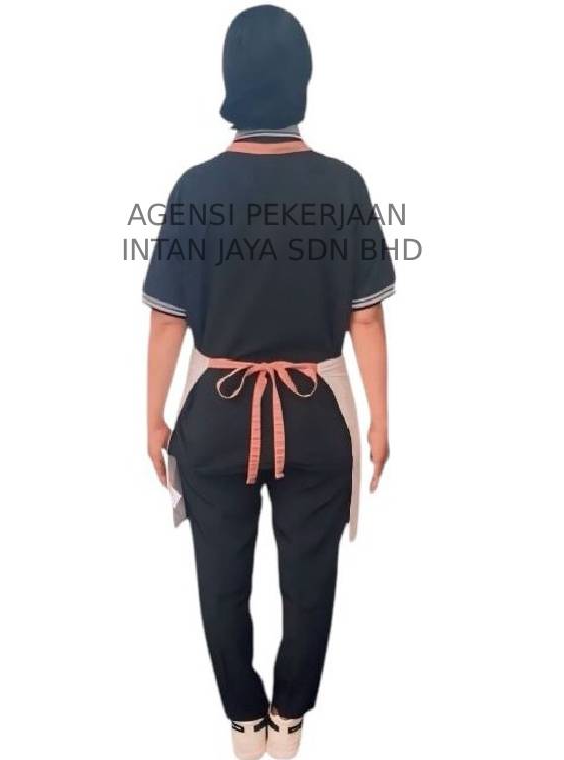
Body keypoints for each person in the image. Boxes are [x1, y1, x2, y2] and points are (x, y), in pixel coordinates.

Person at [143, 6, 395, 759]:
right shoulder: (343, 187)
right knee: (310, 581)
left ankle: (243, 720)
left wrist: (152, 418)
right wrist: (381, 418)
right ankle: (290, 719)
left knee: (220, 580)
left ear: (229, 81)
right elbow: (366, 319)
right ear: (303, 81)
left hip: (214, 418)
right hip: (319, 415)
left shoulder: (194, 189)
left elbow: (167, 323)